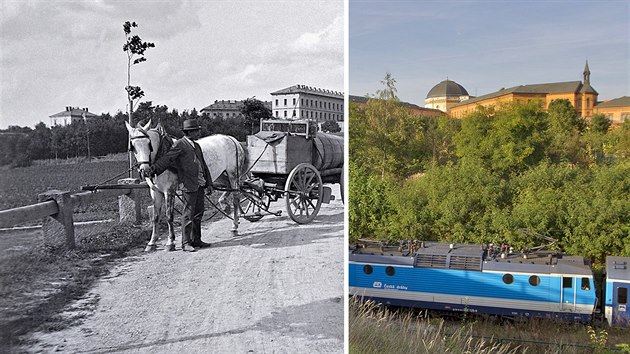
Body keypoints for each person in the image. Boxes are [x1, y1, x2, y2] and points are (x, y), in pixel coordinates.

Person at [141, 119, 212, 252]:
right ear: (189, 132)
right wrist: (154, 169)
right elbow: (167, 159)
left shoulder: (196, 146)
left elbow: (203, 165)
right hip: (188, 184)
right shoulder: (180, 144)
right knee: (188, 214)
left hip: (200, 183)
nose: (198, 133)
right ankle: (185, 243)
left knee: (198, 213)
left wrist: (209, 183)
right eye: (196, 131)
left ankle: (196, 240)